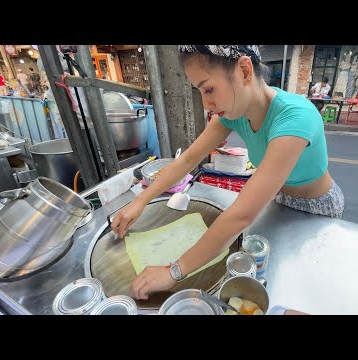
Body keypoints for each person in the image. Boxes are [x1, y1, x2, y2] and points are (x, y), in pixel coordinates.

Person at [110, 45, 345, 300]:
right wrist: (140, 201)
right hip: (278, 201)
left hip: (317, 209)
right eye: (199, 92)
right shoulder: (234, 113)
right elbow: (188, 158)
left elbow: (242, 215)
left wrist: (173, 271)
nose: (206, 104)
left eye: (209, 89)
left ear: (244, 71)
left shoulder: (295, 118)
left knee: (299, 288)